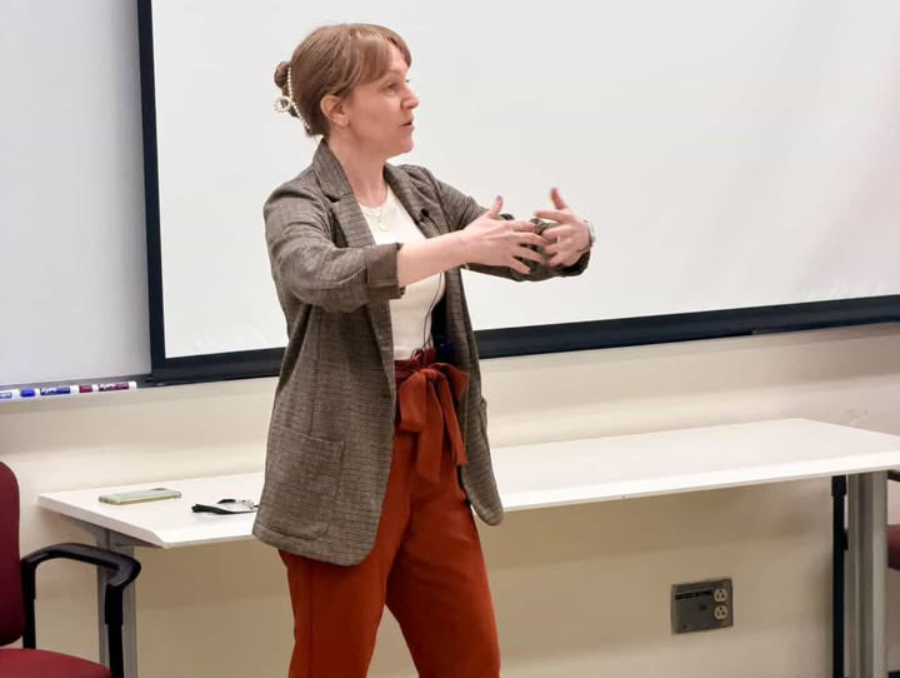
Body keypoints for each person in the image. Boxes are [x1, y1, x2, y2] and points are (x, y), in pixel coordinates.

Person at [253, 23, 594, 678]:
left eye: (407, 82)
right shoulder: (298, 202)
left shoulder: (422, 191)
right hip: (344, 464)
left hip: (435, 450)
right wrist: (456, 247)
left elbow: (510, 247)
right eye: (391, 86)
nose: (412, 98)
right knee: (333, 664)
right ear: (338, 108)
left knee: (470, 658)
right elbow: (322, 275)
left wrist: (569, 243)